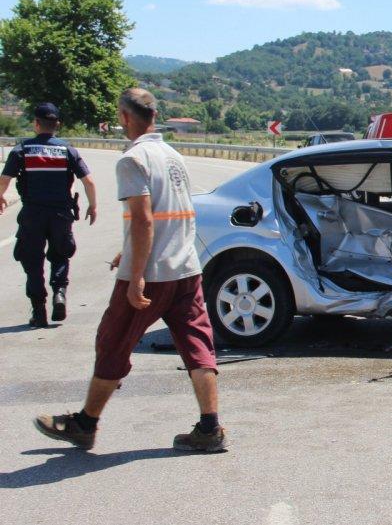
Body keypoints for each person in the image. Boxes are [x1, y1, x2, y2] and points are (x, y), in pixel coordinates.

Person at [34, 89, 226, 452]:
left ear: (124, 116)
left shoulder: (133, 159)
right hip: (186, 269)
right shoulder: (172, 156)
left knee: (113, 343)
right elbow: (169, 214)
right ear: (154, 115)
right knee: (198, 347)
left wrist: (136, 273)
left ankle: (85, 423)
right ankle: (210, 428)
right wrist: (129, 250)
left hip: (152, 273)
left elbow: (143, 219)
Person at [0, 103, 97, 327]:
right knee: (61, 255)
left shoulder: (22, 149)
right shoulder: (67, 150)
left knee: (32, 260)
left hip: (32, 214)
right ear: (57, 125)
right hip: (61, 214)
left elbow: (5, 179)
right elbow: (88, 181)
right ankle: (60, 293)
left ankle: (39, 311)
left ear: (36, 124)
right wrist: (93, 206)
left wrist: (1, 196)